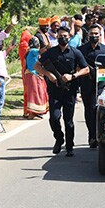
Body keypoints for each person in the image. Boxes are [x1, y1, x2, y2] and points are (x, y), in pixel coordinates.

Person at [34, 26, 89, 157]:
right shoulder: (51, 52)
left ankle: (69, 146)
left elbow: (86, 69)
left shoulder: (75, 52)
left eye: (65, 36)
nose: (63, 38)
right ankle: (59, 138)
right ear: (57, 37)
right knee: (54, 117)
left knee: (68, 120)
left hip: (70, 90)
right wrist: (48, 74)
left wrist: (73, 76)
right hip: (54, 90)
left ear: (69, 37)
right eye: (60, 36)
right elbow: (36, 65)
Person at [78, 24, 105, 148]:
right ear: (88, 35)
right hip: (86, 84)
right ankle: (91, 135)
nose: (94, 36)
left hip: (101, 85)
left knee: (97, 110)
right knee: (89, 110)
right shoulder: (81, 50)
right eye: (91, 34)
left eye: (96, 34)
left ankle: (97, 136)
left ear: (100, 35)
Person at [23, 37, 49, 119]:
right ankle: (31, 113)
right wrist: (48, 45)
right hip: (32, 74)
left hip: (35, 74)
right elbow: (43, 50)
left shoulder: (30, 52)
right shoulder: (33, 51)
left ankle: (35, 112)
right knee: (34, 94)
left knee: (38, 92)